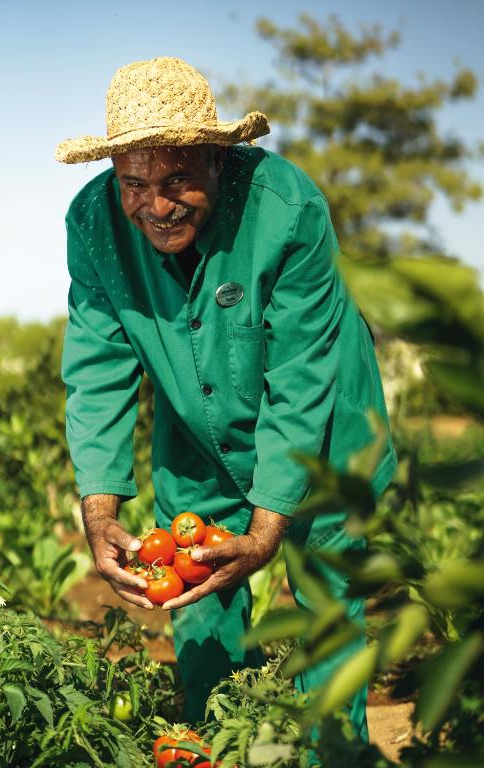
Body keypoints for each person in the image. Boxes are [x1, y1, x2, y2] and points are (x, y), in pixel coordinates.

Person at [56, 57, 396, 739]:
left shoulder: (286, 208)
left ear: (218, 159)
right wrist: (98, 507)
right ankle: (219, 745)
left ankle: (335, 753)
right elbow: (97, 364)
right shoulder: (93, 223)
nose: (155, 204)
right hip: (196, 435)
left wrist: (268, 528)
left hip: (325, 428)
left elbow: (300, 377)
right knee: (197, 600)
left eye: (178, 177)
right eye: (134, 183)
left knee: (325, 606)